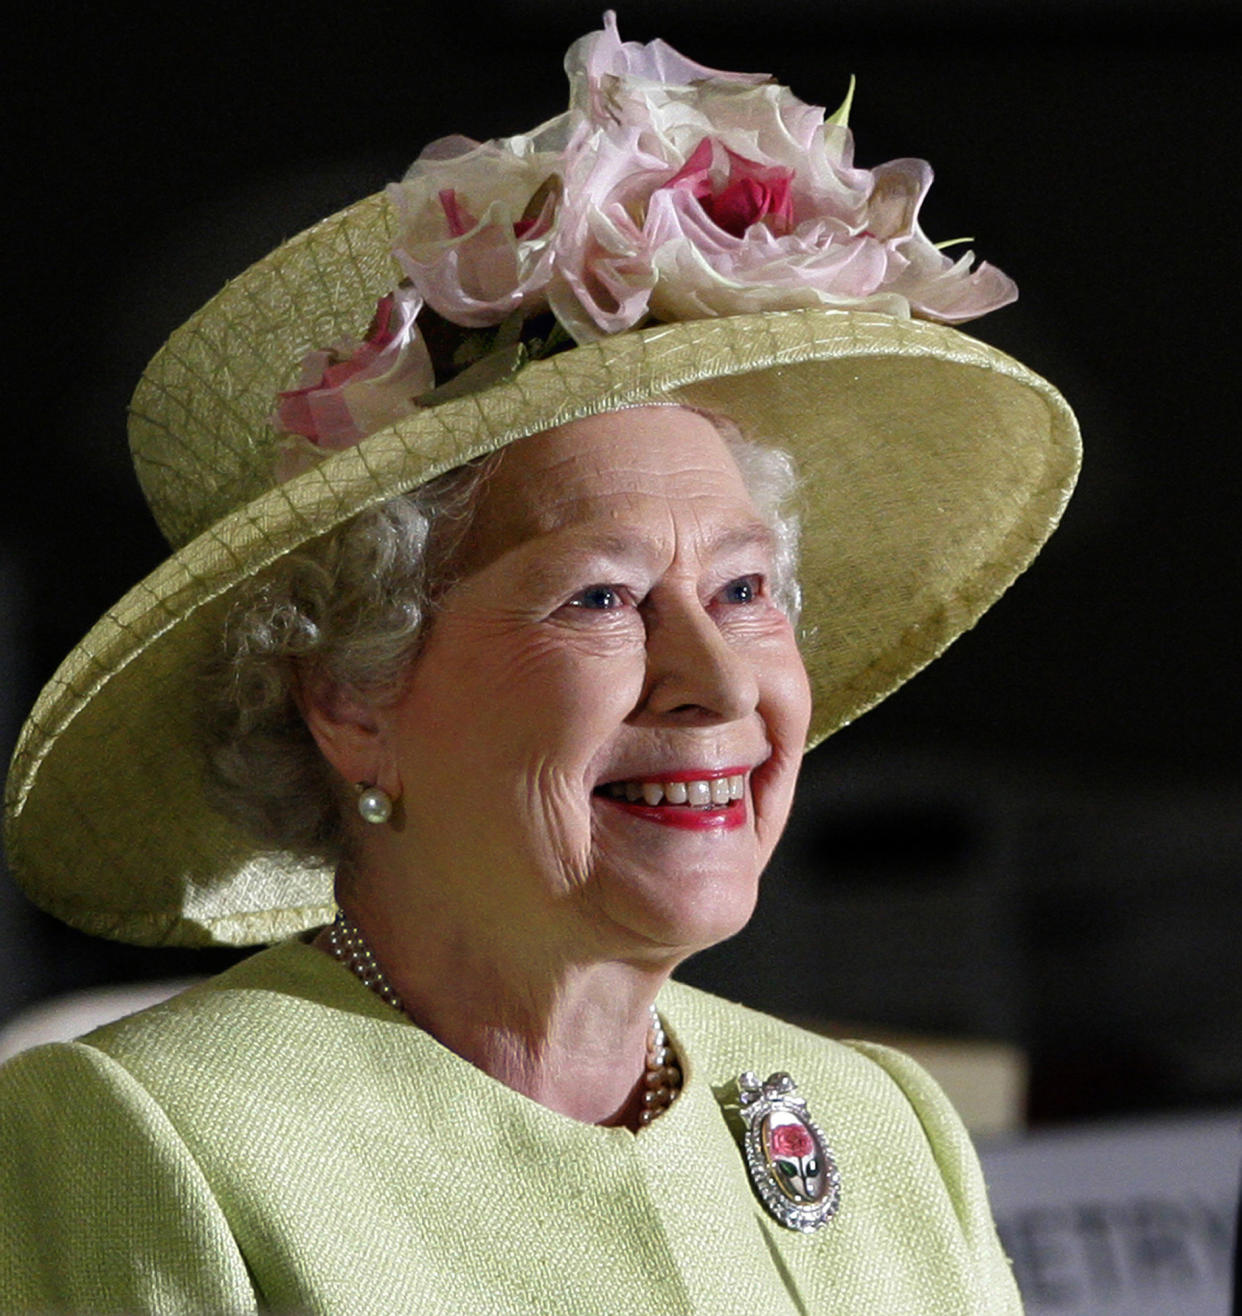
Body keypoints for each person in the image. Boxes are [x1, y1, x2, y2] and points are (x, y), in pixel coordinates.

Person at [0, 15, 1079, 1314]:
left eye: (743, 590)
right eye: (602, 597)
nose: (720, 685)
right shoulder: (156, 1133)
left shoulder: (877, 1121)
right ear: (350, 693)